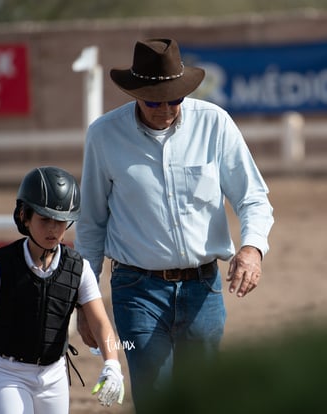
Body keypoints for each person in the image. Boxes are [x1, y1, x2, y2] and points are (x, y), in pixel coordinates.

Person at [74, 38, 274, 412]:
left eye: (174, 99)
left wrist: (252, 248)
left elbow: (253, 197)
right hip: (136, 291)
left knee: (203, 398)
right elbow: (91, 224)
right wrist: (86, 302)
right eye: (154, 101)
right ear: (136, 94)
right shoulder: (103, 135)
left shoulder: (215, 124)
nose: (165, 109)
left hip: (204, 290)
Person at [0, 166, 124, 414]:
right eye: (45, 219)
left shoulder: (80, 268)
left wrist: (112, 364)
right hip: (6, 372)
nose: (53, 229)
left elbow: (100, 322)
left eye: (60, 221)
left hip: (54, 374)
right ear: (24, 216)